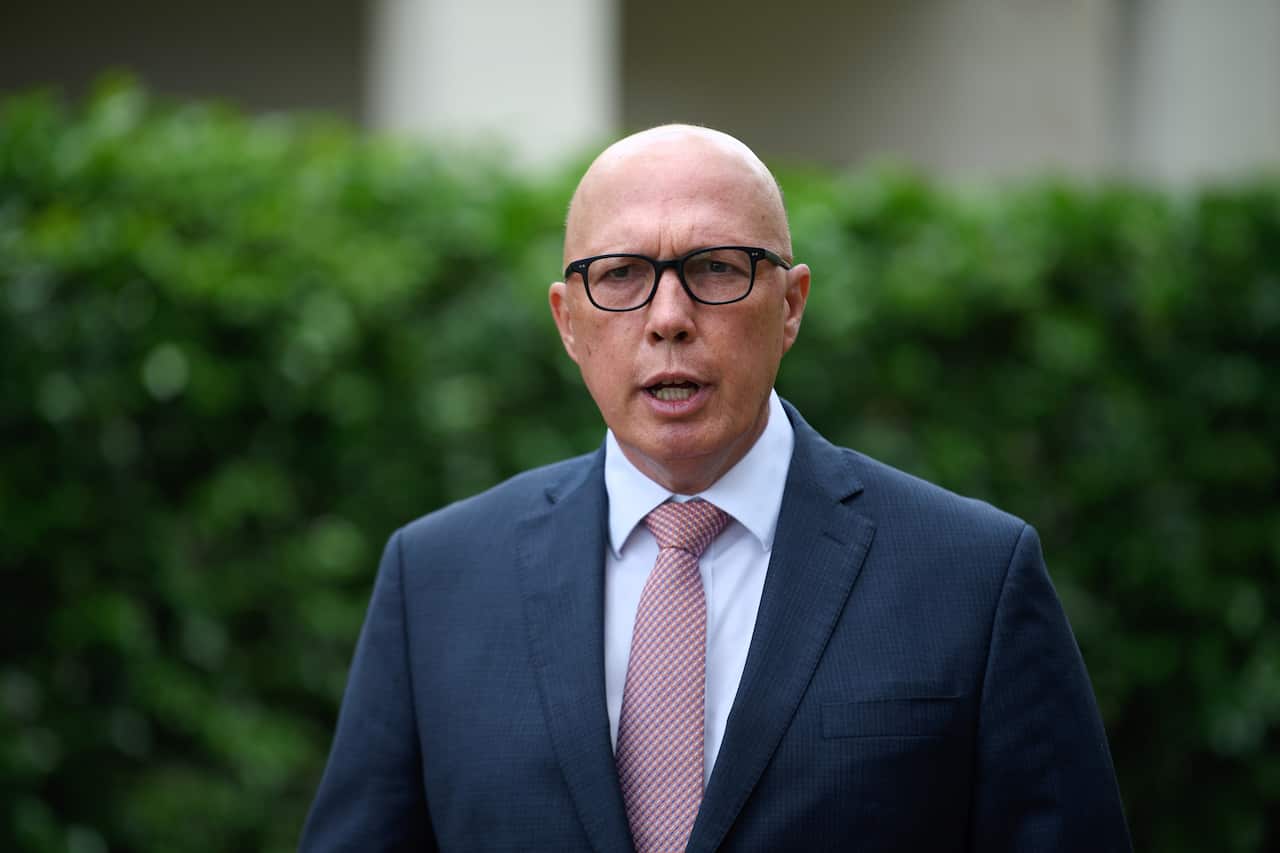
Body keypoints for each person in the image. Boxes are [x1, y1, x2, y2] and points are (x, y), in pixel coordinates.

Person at [300, 125, 1131, 852]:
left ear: (792, 304)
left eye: (715, 267)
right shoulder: (437, 578)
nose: (667, 315)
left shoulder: (973, 577)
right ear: (567, 320)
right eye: (620, 274)